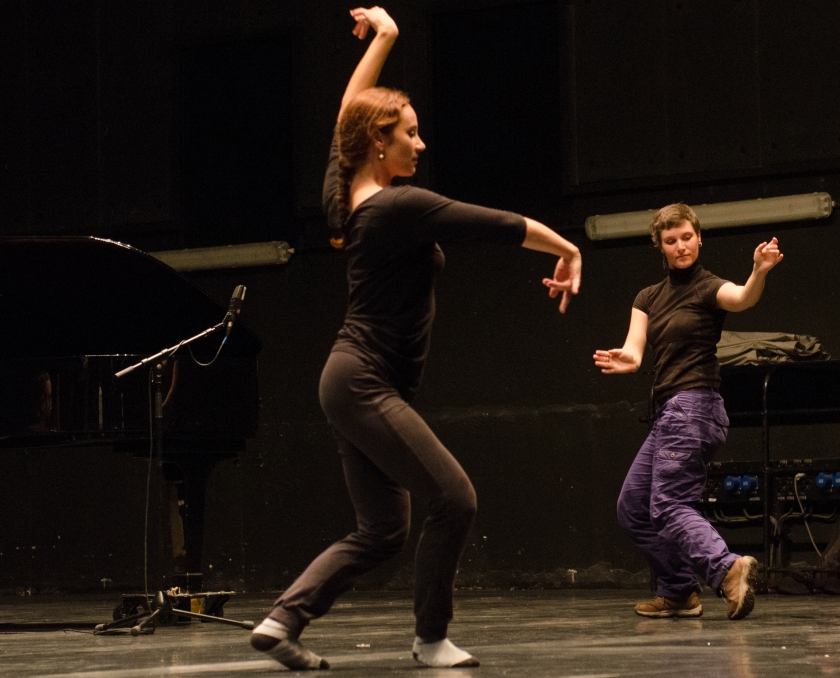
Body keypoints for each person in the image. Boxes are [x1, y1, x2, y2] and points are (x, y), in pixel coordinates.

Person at [250, 6, 582, 670]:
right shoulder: (401, 207)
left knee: (382, 529)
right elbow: (501, 225)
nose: (421, 144)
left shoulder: (346, 197)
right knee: (455, 498)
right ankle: (431, 638)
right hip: (364, 380)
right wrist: (569, 250)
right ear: (380, 142)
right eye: (410, 132)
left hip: (348, 379)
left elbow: (345, 116)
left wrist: (387, 36)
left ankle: (281, 620)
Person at [594, 203, 783, 620]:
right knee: (634, 507)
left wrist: (759, 272)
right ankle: (679, 590)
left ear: (699, 238)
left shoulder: (707, 287)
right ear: (660, 246)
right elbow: (634, 350)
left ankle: (727, 568)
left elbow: (741, 298)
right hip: (668, 414)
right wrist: (626, 359)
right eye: (670, 240)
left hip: (694, 407)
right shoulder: (647, 297)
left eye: (686, 237)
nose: (680, 246)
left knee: (668, 504)